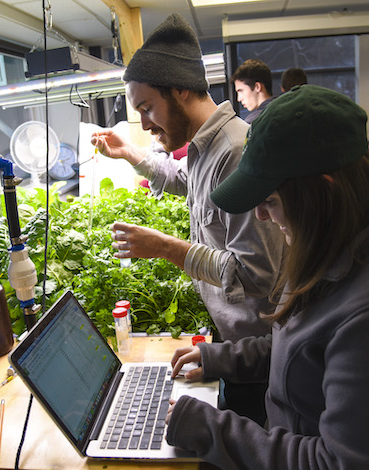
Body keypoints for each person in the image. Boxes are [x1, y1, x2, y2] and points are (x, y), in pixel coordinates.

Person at [92, 13, 285, 425]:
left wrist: (165, 248)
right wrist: (131, 154)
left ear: (180, 90)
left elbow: (258, 273)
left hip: (262, 355)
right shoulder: (206, 147)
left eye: (147, 108)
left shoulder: (233, 152)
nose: (144, 124)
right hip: (235, 345)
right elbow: (185, 180)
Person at [165, 84, 369, 469]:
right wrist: (219, 358)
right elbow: (295, 350)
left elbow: (335, 462)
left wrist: (211, 428)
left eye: (271, 201)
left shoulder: (360, 318)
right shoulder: (324, 252)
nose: (260, 216)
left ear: (322, 191)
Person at [231, 59, 274, 123]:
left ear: (257, 87)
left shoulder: (253, 123)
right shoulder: (285, 108)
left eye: (241, 91)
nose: (239, 99)